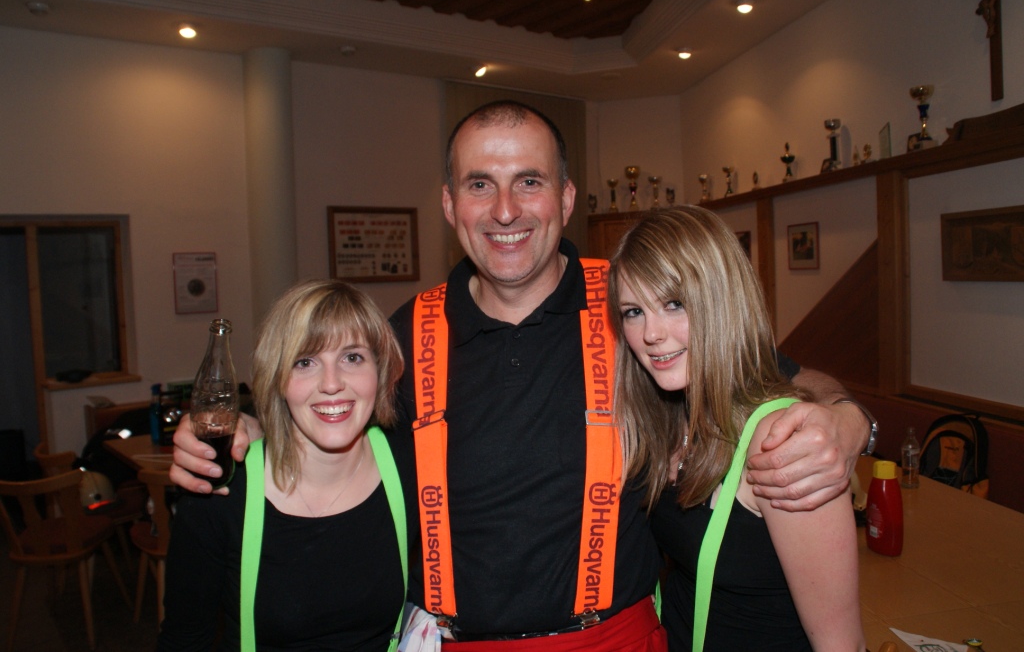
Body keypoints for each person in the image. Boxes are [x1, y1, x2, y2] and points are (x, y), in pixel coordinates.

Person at [171, 100, 872, 650]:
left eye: (528, 182)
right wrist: (250, 435)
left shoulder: (633, 307)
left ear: (565, 199)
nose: (505, 210)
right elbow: (330, 410)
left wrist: (847, 421)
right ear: (450, 205)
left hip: (612, 639)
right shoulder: (403, 335)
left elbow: (769, 378)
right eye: (480, 185)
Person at [609, 207, 864, 651]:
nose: (651, 333)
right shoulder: (669, 417)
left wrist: (853, 418)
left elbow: (840, 644)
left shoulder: (780, 442)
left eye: (674, 304)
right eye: (633, 311)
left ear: (720, 302)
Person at [159, 279, 407, 651]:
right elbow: (184, 640)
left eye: (352, 358)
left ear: (380, 369)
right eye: (304, 362)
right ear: (277, 378)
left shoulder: (409, 466)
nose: (331, 384)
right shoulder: (223, 491)